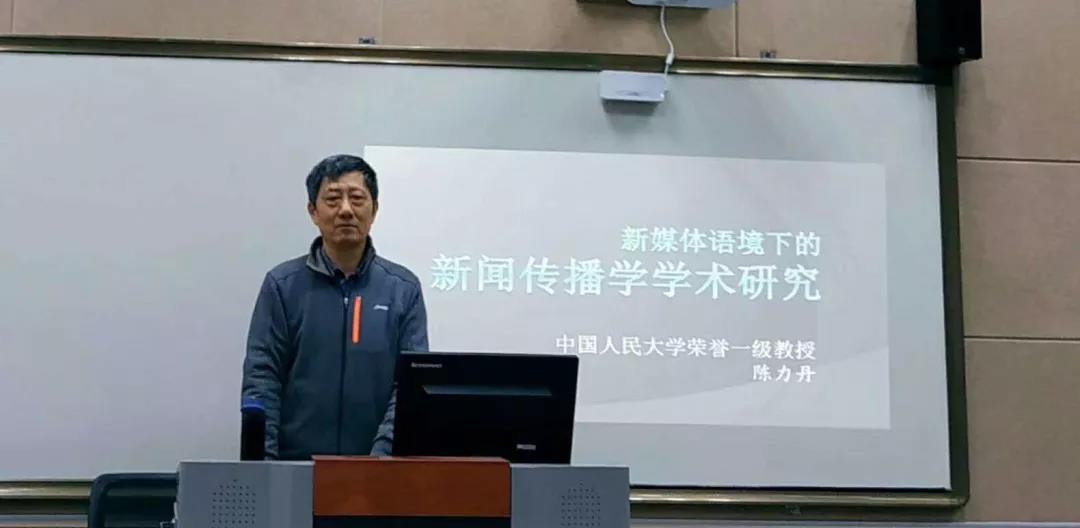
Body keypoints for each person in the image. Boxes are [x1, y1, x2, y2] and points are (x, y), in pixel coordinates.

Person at [242, 154, 428, 459]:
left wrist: (382, 457)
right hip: (296, 469)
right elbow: (262, 378)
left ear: (374, 209)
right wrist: (266, 466)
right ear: (313, 211)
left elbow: (410, 386)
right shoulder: (282, 285)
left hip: (379, 471)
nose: (345, 210)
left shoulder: (403, 288)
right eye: (332, 199)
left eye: (357, 198)